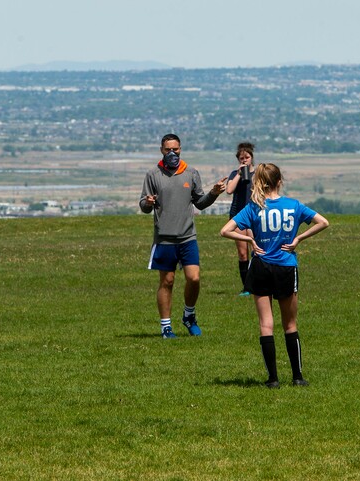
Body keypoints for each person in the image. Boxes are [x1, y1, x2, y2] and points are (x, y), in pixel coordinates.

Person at [220, 163, 329, 388]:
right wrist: (299, 239)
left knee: (265, 325)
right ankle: (297, 377)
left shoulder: (253, 207)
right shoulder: (293, 205)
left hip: (260, 266)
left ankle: (272, 379)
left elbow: (225, 230)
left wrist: (250, 240)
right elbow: (323, 222)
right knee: (290, 324)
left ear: (259, 181)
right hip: (286, 266)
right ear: (280, 181)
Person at [139, 134, 227, 338]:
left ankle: (189, 315)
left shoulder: (191, 173)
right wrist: (148, 202)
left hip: (187, 237)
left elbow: (200, 203)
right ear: (161, 150)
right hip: (164, 239)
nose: (172, 153)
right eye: (168, 149)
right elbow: (143, 205)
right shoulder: (153, 174)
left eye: (175, 149)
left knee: (194, 279)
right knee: (167, 282)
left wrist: (214, 193)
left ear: (180, 149)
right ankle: (166, 327)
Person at [225, 142, 256, 296]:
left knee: (256, 251)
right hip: (237, 215)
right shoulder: (234, 174)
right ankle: (247, 288)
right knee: (242, 253)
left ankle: (257, 284)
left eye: (247, 157)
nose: (244, 160)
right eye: (241, 158)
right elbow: (229, 190)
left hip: (254, 215)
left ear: (252, 158)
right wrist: (238, 174)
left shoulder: (257, 174)